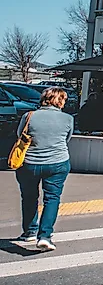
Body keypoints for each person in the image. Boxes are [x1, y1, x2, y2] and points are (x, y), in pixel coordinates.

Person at [14, 87, 73, 252]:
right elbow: (67, 138)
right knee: (52, 199)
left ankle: (29, 231)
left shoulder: (29, 116)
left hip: (29, 163)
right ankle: (45, 236)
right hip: (58, 162)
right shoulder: (68, 119)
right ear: (60, 101)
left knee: (29, 197)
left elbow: (20, 135)